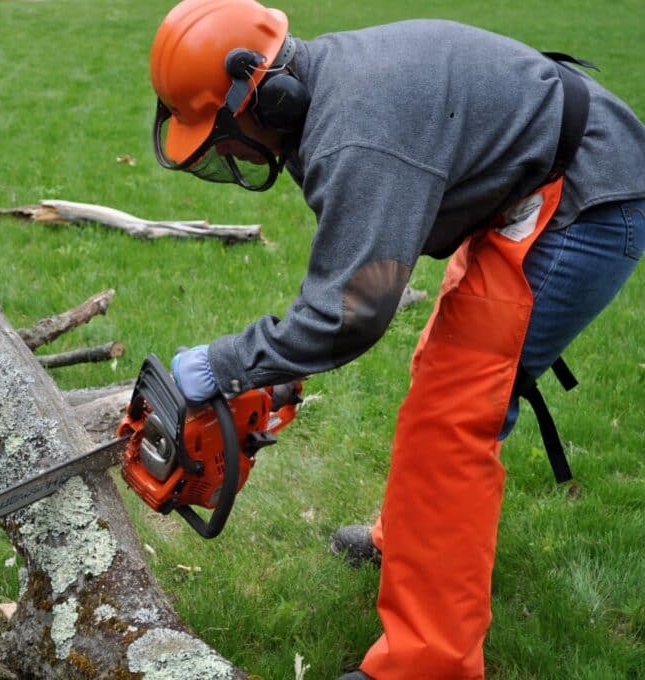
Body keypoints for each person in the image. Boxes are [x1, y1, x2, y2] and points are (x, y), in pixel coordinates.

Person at [149, 0, 645, 678]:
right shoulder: (318, 96)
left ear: (266, 95)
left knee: (455, 415)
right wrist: (281, 363)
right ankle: (412, 543)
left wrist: (229, 362)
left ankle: (427, 663)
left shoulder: (357, 134)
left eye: (225, 136)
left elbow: (352, 313)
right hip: (528, 182)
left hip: (581, 199)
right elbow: (351, 270)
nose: (230, 153)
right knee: (441, 376)